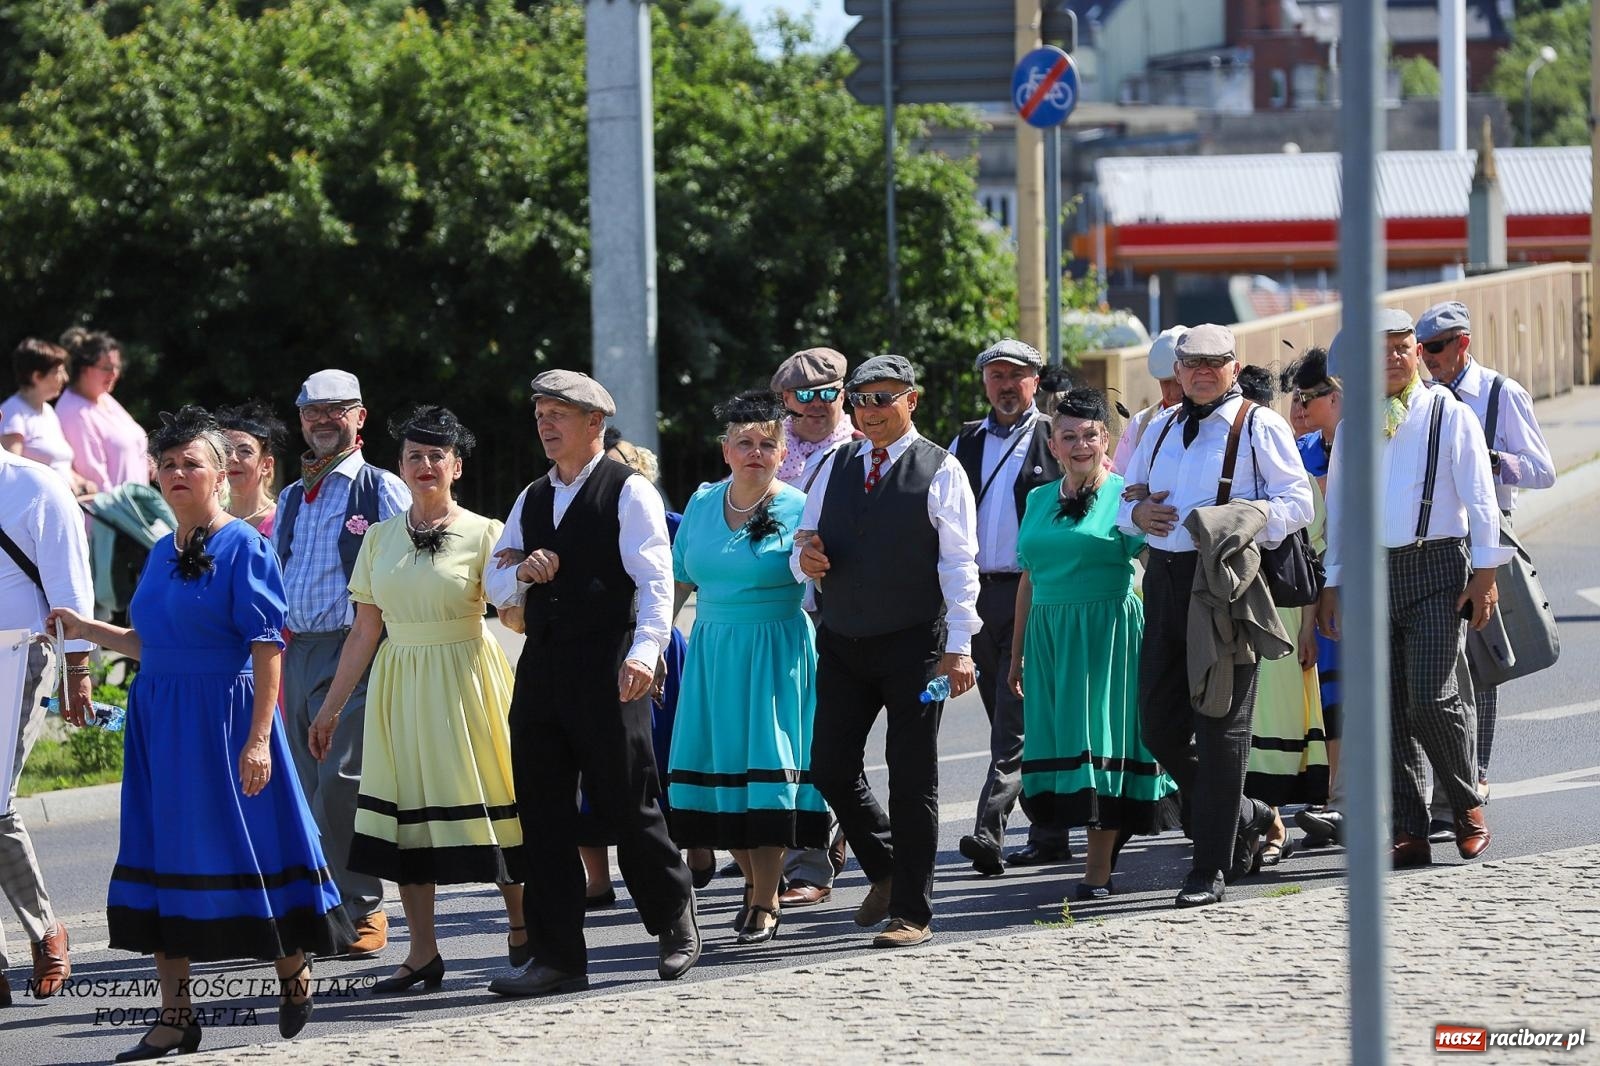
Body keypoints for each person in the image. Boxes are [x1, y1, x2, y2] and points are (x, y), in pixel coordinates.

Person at [46, 407, 349, 1058]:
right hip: (161, 724)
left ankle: (292, 969)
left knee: (249, 848)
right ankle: (175, 1015)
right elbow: (152, 641)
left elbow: (267, 647)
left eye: (192, 463)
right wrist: (86, 628)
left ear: (219, 475)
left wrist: (260, 738)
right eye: (168, 464)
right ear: (156, 477)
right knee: (165, 855)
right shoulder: (160, 550)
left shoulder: (245, 546)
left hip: (225, 721)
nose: (178, 473)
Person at [485, 370, 699, 997]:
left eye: (558, 414)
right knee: (542, 812)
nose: (545, 426)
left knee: (628, 799)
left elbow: (656, 582)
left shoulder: (628, 490)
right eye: (540, 415)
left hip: (609, 659)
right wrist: (522, 572)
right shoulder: (531, 496)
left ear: (594, 423)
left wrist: (646, 652)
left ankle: (673, 916)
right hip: (543, 663)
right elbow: (494, 582)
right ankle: (557, 956)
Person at [309, 406, 526, 993]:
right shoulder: (379, 538)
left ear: (457, 466)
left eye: (437, 456)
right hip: (399, 683)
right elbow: (364, 630)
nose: (425, 465)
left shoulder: (487, 531)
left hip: (467, 679)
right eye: (414, 456)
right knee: (405, 818)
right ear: (400, 467)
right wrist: (330, 709)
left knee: (492, 800)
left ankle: (521, 928)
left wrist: (529, 584)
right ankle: (423, 952)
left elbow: (512, 616)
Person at [1118, 324, 1314, 908]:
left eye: (1216, 362)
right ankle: (1246, 813)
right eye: (1193, 363)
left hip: (1225, 585)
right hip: (1164, 581)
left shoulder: (1258, 424)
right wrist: (1139, 516)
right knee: (1157, 727)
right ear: (1177, 371)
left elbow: (1298, 502)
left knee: (1222, 730)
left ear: (1233, 366)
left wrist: (1243, 520)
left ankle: (1209, 869)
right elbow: (1125, 501)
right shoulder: (1158, 426)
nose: (1203, 372)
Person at [795, 354, 980, 948]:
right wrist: (806, 559)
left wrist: (960, 647)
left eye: (884, 398)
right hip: (843, 640)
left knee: (912, 776)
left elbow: (960, 564)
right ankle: (886, 867)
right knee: (828, 764)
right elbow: (805, 539)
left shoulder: (941, 468)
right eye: (861, 399)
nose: (870, 410)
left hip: (915, 645)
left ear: (911, 401)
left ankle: (912, 913)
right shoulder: (835, 463)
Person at [1317, 309, 1512, 868]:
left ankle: (1466, 804)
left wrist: (1486, 574)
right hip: (1371, 572)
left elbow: (1481, 499)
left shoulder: (1450, 413)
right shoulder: (1353, 427)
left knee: (1431, 696)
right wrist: (1333, 584)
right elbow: (1341, 510)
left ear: (1417, 353)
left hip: (1437, 567)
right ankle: (1410, 827)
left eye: (1402, 348)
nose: (1393, 359)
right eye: (1380, 350)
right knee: (1387, 706)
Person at [666, 390, 829, 945]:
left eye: (767, 444)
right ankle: (760, 882)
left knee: (770, 774)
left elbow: (819, 572)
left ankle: (763, 897)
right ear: (726, 450)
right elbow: (679, 579)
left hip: (775, 649)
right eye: (744, 443)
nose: (755, 452)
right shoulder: (701, 504)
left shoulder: (801, 506)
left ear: (782, 453)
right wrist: (653, 646)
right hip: (713, 650)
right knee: (719, 777)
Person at [1009, 387, 1177, 900]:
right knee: (1064, 742)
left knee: (1100, 743)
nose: (1080, 445)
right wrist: (1016, 654)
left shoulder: (1126, 496)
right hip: (1048, 637)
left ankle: (1097, 870)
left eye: (1089, 435)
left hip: (1107, 634)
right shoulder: (1038, 498)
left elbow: (1157, 565)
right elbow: (1029, 578)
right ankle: (1248, 817)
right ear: (1053, 444)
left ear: (1106, 439)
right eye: (1069, 437)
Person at [274, 370, 410, 957]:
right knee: (306, 785)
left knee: (341, 782)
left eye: (336, 410)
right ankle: (327, 906)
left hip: (356, 648)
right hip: (296, 651)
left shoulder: (380, 488)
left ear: (360, 417)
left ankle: (365, 906)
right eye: (312, 411)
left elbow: (408, 564)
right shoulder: (290, 495)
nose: (323, 420)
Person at [1415, 300, 1555, 809]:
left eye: (1435, 347)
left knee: (1482, 658)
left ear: (1463, 343)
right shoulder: (1419, 398)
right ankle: (1444, 775)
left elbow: (1543, 470)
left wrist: (1492, 461)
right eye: (1420, 348)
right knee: (1433, 663)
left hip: (1486, 535)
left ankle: (1476, 771)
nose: (1427, 357)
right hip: (1431, 540)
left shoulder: (1501, 393)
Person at [949, 339, 1071, 876]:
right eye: (995, 375)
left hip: (1034, 594)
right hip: (977, 596)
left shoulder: (1056, 436)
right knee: (1011, 717)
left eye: (1015, 376)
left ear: (1035, 382)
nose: (1005, 385)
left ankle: (988, 831)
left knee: (1013, 721)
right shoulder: (964, 441)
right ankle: (1049, 833)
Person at [0, 446, 93, 1008]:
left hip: (21, 656)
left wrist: (78, 669)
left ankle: (45, 929)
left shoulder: (35, 486)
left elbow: (70, 585)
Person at [768, 346, 860, 908]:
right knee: (781, 740)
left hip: (833, 611)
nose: (820, 403)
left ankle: (810, 860)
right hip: (775, 612)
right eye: (806, 394)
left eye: (830, 392)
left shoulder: (858, 448)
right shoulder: (765, 447)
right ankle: (796, 842)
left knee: (819, 739)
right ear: (786, 399)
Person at [1234, 366, 1328, 865]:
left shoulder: (1296, 479)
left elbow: (1311, 561)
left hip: (1283, 617)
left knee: (1275, 722)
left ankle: (1270, 826)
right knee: (1236, 724)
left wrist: (1309, 627)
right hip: (1230, 612)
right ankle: (1254, 827)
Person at [1283, 350, 1348, 849]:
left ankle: (1346, 797)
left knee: (1351, 692)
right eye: (1297, 398)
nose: (1300, 408)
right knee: (1324, 696)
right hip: (1315, 583)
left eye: (1310, 397)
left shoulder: (1368, 440)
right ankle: (1329, 795)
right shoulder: (1299, 451)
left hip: (1357, 578)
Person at [55, 329, 149, 494]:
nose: (114, 374)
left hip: (136, 506)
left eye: (117, 367)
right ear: (84, 369)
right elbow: (95, 482)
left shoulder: (104, 398)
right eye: (107, 368)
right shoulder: (74, 413)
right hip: (112, 509)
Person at [2, 339, 95, 497]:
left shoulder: (48, 411)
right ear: (36, 376)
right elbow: (9, 477)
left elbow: (59, 465)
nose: (65, 378)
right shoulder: (12, 413)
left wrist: (81, 482)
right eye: (58, 371)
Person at [1110, 326, 1186, 474]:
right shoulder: (1141, 424)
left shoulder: (1216, 420)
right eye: (1165, 382)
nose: (1173, 392)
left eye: (1179, 382)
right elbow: (1120, 477)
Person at [217, 402, 287, 538]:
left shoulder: (283, 522)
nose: (233, 458)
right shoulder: (211, 522)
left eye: (245, 451)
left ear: (266, 465)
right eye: (226, 450)